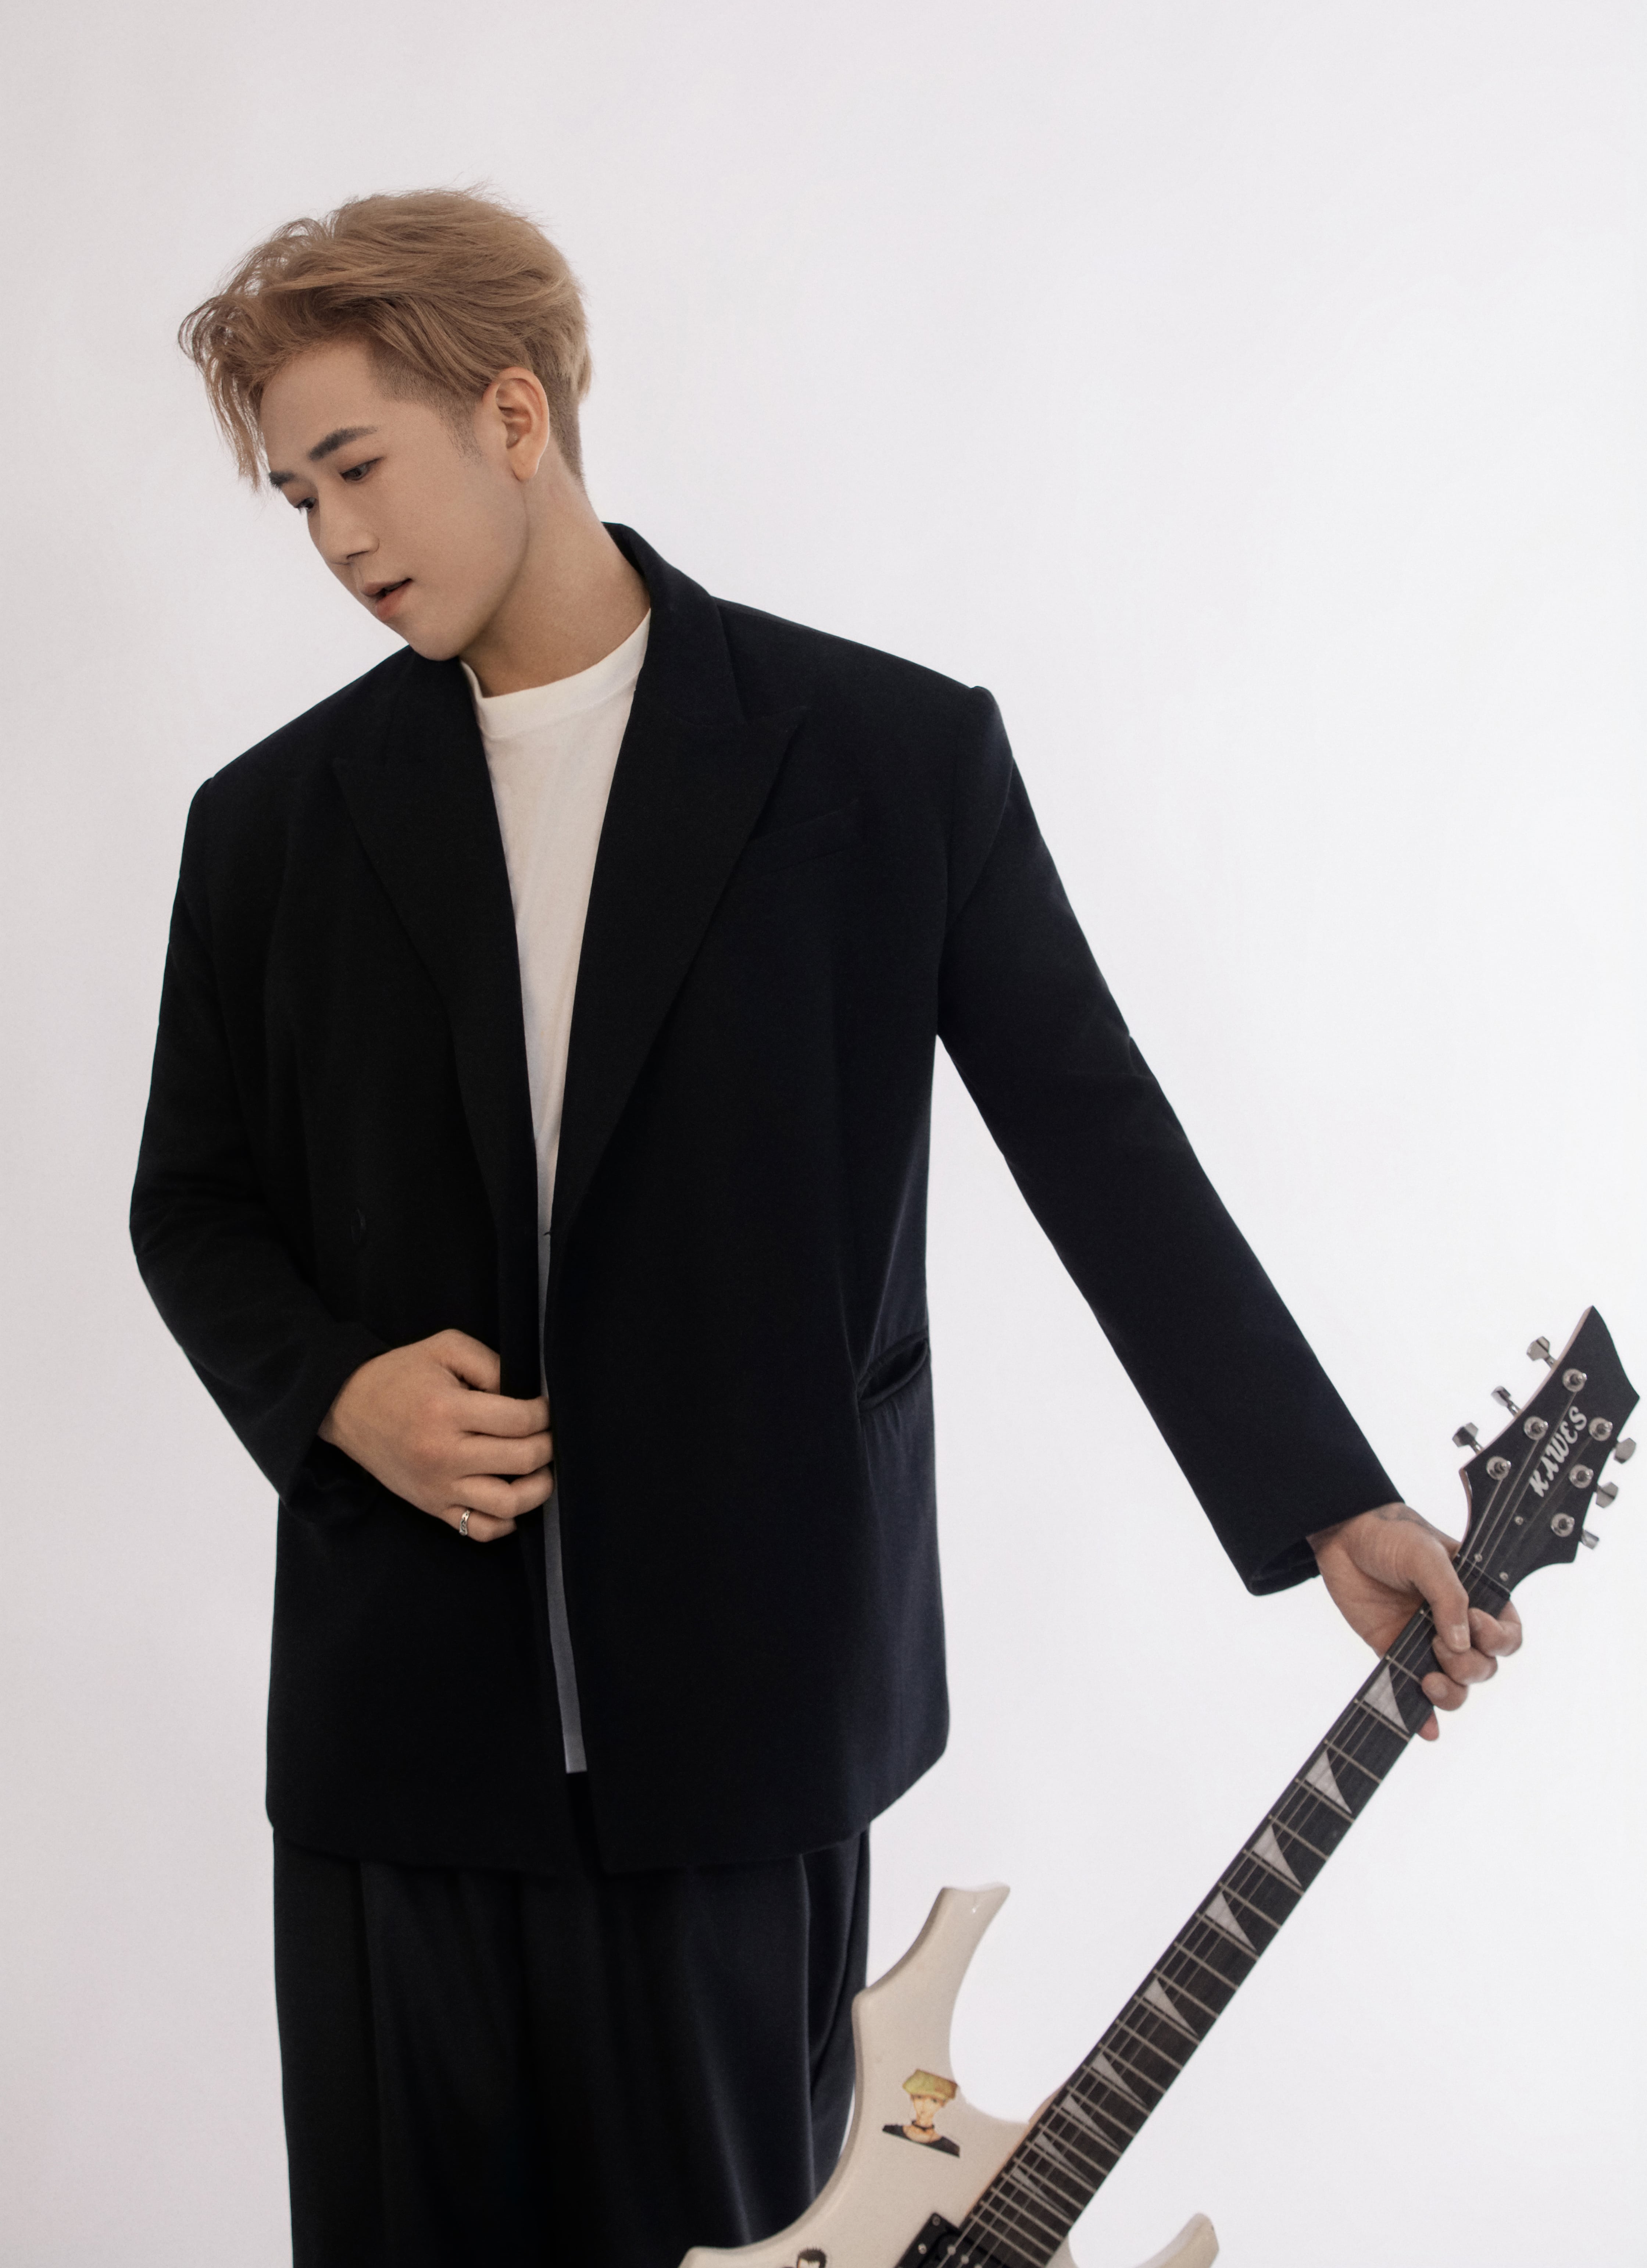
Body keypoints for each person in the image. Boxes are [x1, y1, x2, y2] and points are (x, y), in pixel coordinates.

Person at [131, 187, 1520, 2268]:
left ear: (514, 415)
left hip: (748, 1719)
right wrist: (335, 1394)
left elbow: (1098, 1139)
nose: (333, 538)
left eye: (357, 467)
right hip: (398, 1736)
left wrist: (1327, 1500)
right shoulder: (267, 825)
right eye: (294, 496)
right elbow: (193, 1202)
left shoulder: (887, 762)